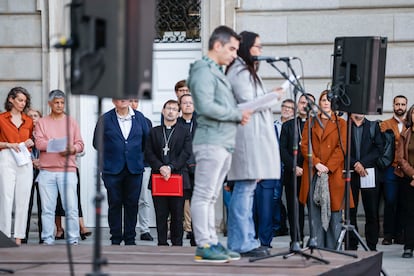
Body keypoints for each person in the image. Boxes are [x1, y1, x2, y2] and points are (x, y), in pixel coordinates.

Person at [188, 25, 251, 263]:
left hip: (222, 142)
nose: (235, 54)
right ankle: (204, 244)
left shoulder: (215, 71)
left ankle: (212, 242)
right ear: (217, 45)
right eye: (232, 49)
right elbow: (205, 107)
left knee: (212, 196)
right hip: (211, 141)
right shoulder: (203, 70)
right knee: (204, 194)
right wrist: (236, 113)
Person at [226, 30, 283, 255]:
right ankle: (243, 243)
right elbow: (248, 103)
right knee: (244, 190)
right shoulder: (239, 71)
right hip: (246, 138)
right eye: (257, 46)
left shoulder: (247, 70)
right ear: (247, 46)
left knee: (246, 190)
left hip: (252, 138)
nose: (260, 50)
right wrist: (273, 96)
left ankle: (242, 241)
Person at [93, 97, 150, 245]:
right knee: (115, 203)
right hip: (112, 169)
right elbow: (96, 143)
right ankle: (116, 237)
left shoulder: (140, 118)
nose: (123, 99)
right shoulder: (105, 119)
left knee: (132, 204)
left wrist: (135, 156)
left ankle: (130, 238)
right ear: (113, 101)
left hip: (134, 169)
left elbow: (146, 141)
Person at [299, 90, 349, 249]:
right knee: (315, 212)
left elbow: (342, 148)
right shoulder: (310, 122)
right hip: (314, 172)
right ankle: (317, 247)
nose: (326, 102)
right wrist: (316, 163)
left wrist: (327, 167)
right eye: (323, 100)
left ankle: (334, 249)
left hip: (332, 174)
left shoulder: (341, 123)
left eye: (329, 100)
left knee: (334, 213)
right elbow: (305, 146)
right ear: (319, 103)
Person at [35, 89, 84, 245]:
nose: (59, 105)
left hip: (67, 171)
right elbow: (39, 143)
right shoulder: (42, 122)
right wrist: (54, 144)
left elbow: (80, 144)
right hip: (46, 171)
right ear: (50, 104)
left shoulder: (71, 122)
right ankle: (47, 239)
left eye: (62, 102)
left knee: (71, 207)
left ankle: (73, 239)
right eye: (56, 102)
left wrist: (72, 149)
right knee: (47, 209)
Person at [145, 100, 192, 246]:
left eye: (174, 109)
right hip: (158, 177)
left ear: (178, 113)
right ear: (163, 111)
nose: (171, 111)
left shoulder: (184, 132)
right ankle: (162, 244)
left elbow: (186, 153)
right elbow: (149, 152)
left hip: (178, 177)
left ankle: (177, 245)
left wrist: (170, 167)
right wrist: (161, 167)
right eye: (168, 108)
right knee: (161, 214)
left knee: (178, 215)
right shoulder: (154, 131)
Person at [280, 93, 315, 246]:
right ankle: (296, 239)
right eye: (302, 102)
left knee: (314, 209)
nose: (304, 105)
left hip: (311, 174)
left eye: (308, 103)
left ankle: (314, 239)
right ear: (297, 104)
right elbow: (282, 149)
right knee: (295, 209)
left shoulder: (317, 124)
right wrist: (294, 166)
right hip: (292, 174)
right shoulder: (288, 125)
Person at [0, 87, 34, 245]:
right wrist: (8, 144)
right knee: (6, 198)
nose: (22, 103)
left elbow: (33, 140)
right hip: (6, 156)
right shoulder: (1, 118)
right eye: (20, 100)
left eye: (25, 101)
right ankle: (5, 236)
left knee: (23, 199)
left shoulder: (29, 120)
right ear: (11, 99)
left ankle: (19, 237)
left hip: (24, 158)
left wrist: (30, 142)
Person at [348, 113, 383, 251]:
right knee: (351, 210)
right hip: (350, 172)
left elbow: (378, 149)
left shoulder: (373, 126)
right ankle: (352, 244)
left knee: (372, 211)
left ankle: (371, 245)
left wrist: (361, 163)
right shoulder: (344, 126)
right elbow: (341, 150)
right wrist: (355, 164)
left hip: (369, 173)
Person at [380, 95, 408, 245]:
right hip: (391, 168)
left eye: (403, 104)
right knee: (390, 201)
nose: (400, 107)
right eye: (397, 104)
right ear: (393, 105)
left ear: (406, 106)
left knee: (403, 202)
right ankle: (388, 234)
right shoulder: (385, 124)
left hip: (406, 169)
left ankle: (400, 234)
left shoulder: (410, 125)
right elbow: (387, 145)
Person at [130, 98, 154, 241]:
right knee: (128, 199)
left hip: (143, 165)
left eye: (136, 101)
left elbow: (149, 144)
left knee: (144, 199)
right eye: (130, 100)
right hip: (125, 166)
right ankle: (128, 228)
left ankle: (144, 229)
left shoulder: (145, 121)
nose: (133, 104)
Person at [271, 98, 295, 238]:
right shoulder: (273, 125)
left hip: (291, 165)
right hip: (275, 166)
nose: (286, 109)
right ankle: (278, 225)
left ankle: (284, 225)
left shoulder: (295, 126)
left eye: (290, 108)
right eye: (284, 106)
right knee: (275, 197)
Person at [177, 93, 197, 246]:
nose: (188, 105)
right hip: (180, 168)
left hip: (198, 168)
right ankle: (178, 236)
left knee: (197, 202)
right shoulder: (176, 123)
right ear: (180, 106)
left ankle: (196, 236)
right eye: (185, 103)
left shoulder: (201, 123)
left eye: (190, 103)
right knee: (180, 202)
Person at [395, 104, 414, 258]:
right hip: (409, 180)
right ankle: (409, 246)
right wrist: (413, 175)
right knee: (409, 214)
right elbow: (400, 158)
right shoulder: (405, 134)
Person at [22, 108, 43, 244]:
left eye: (35, 115)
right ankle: (23, 235)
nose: (33, 118)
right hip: (27, 170)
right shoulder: (23, 133)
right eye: (30, 116)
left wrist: (41, 161)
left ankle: (44, 235)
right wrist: (31, 161)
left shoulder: (44, 132)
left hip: (43, 171)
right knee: (25, 204)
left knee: (43, 205)